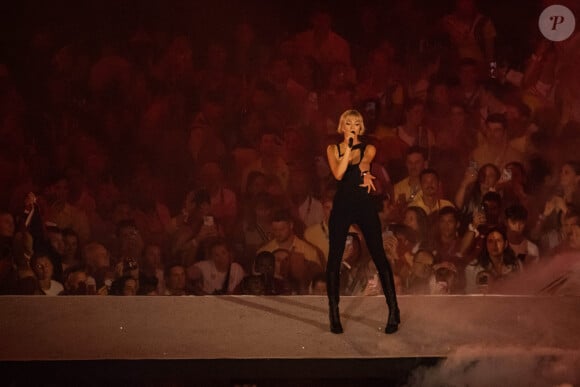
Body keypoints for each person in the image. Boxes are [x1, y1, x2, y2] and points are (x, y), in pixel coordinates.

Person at [325, 109, 399, 334]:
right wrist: (347, 148)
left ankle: (393, 310)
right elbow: (338, 173)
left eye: (356, 123)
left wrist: (365, 173)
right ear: (342, 126)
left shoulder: (369, 147)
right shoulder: (333, 149)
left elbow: (364, 162)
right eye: (348, 123)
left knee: (378, 254)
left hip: (364, 205)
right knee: (334, 257)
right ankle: (334, 312)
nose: (352, 126)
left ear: (361, 127)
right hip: (343, 206)